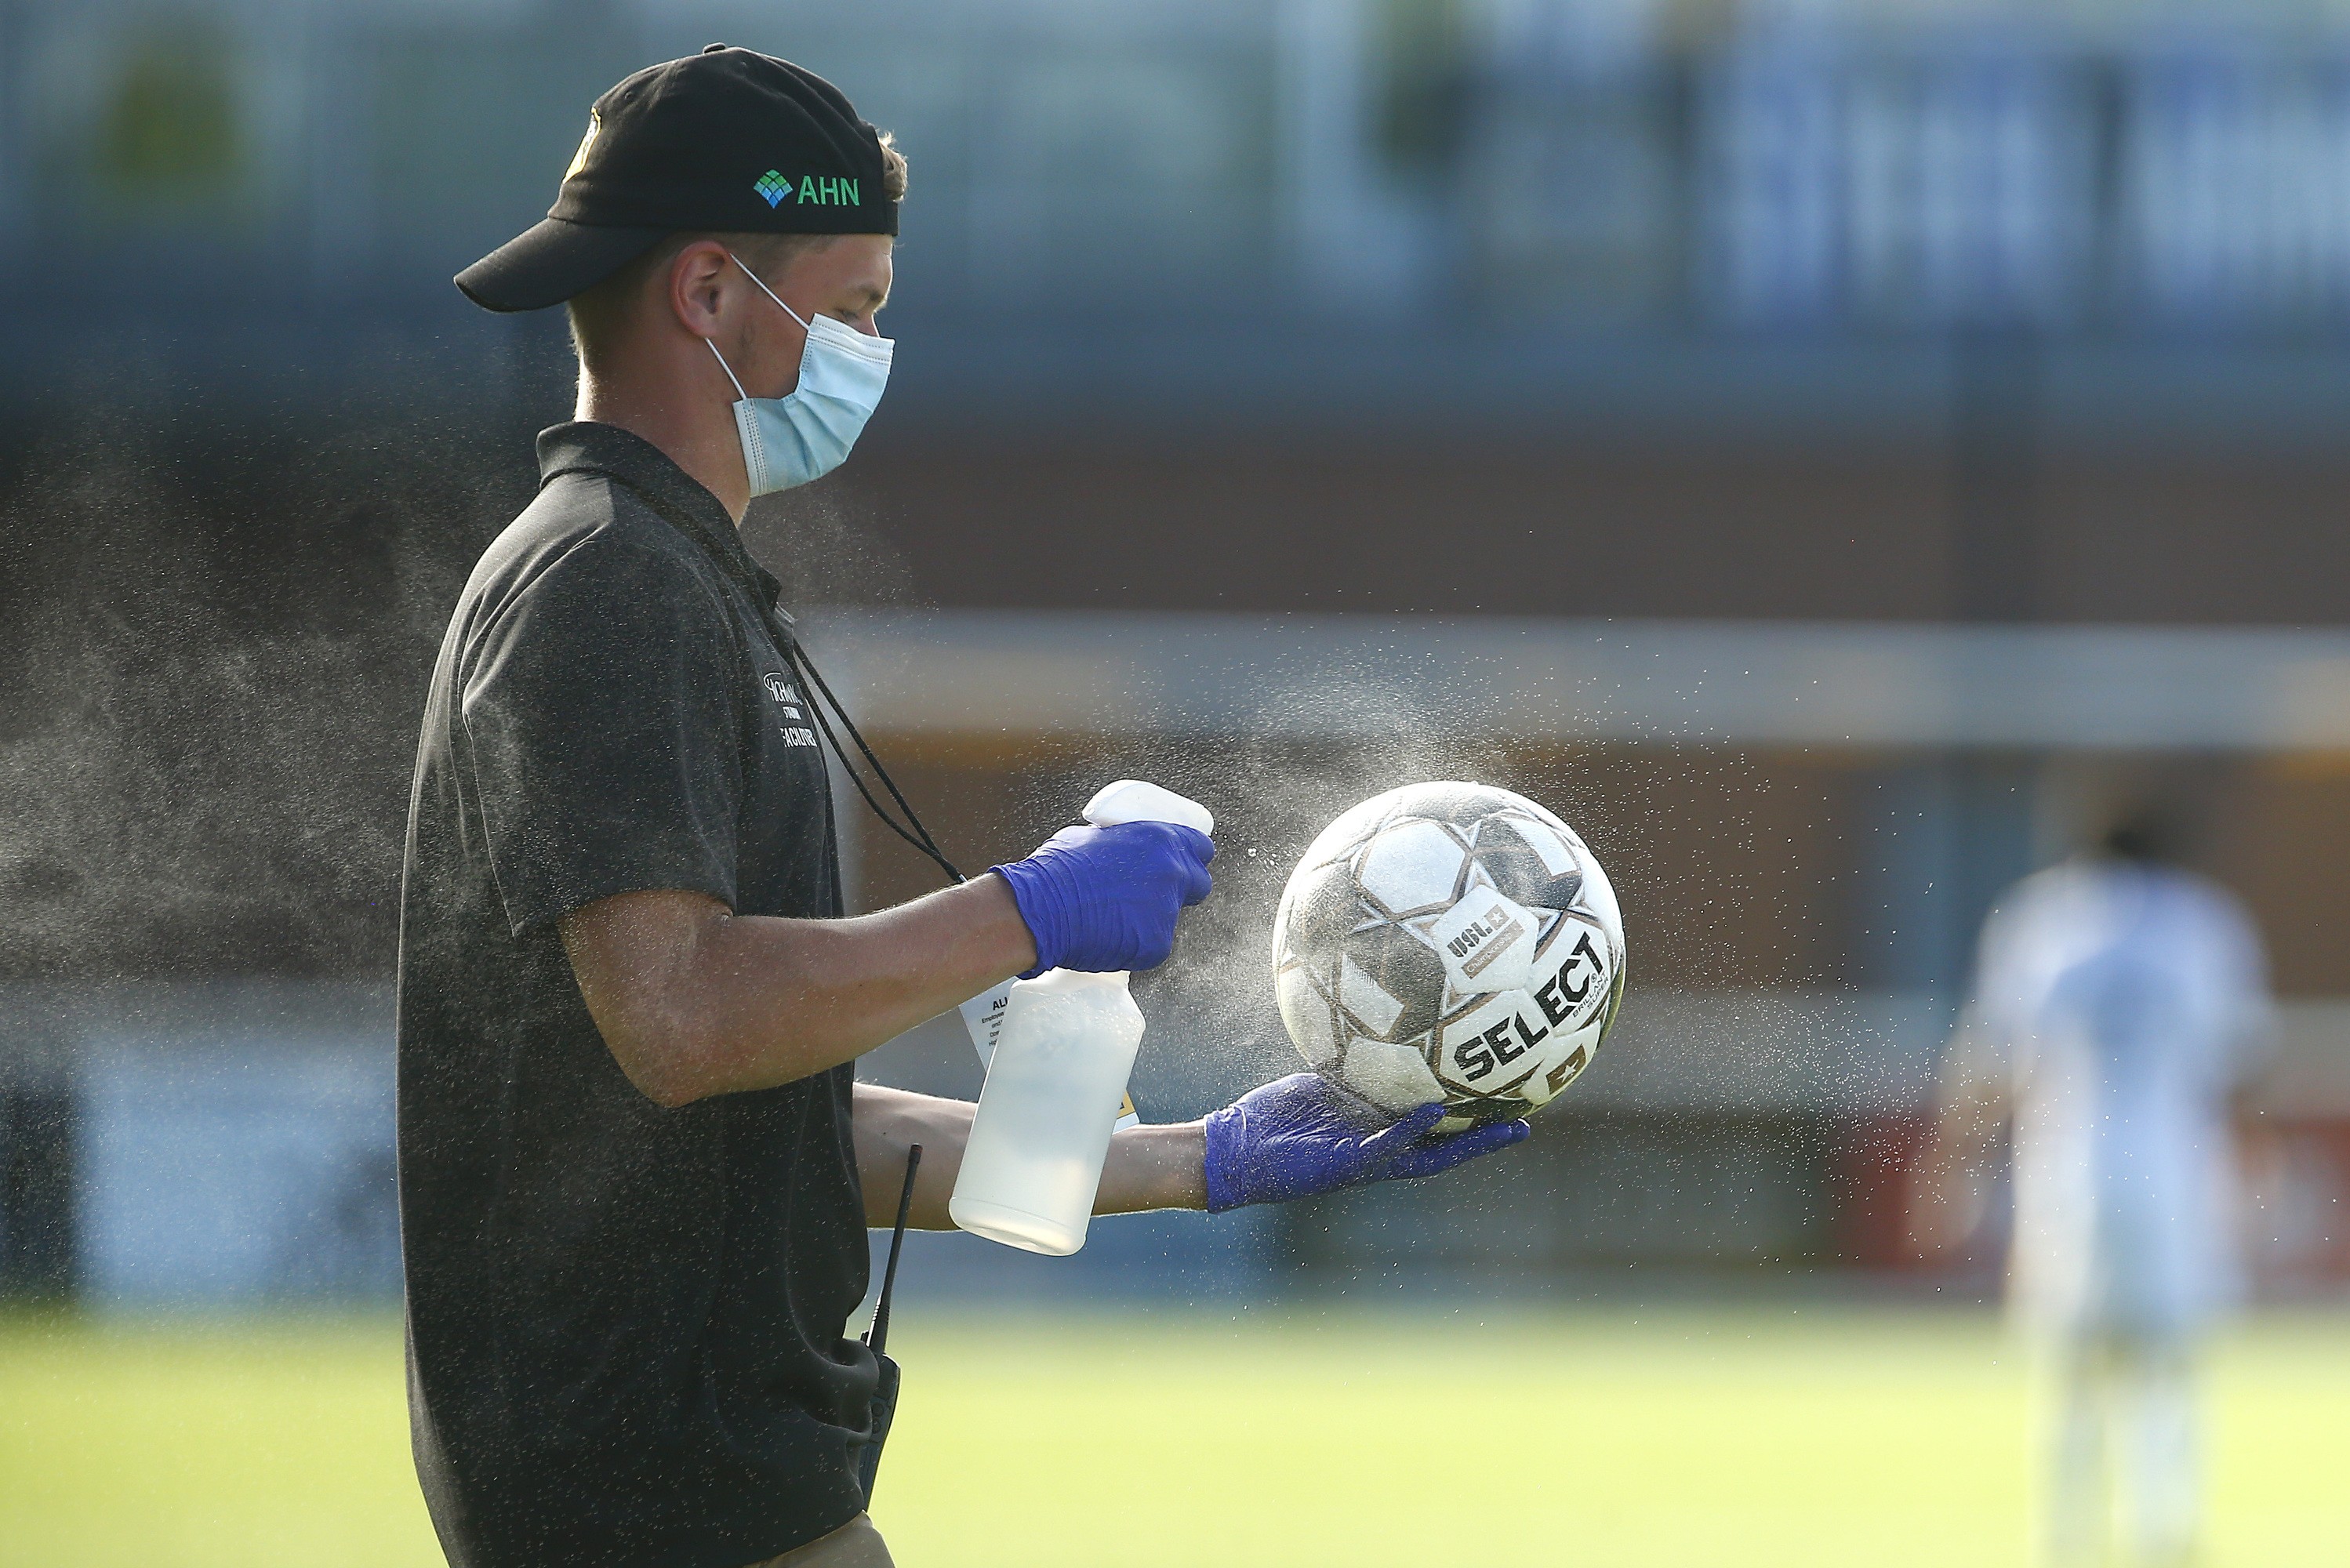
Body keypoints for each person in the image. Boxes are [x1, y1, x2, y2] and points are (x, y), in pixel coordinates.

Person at [398, 46, 1529, 1568]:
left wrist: (1201, 1160)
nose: (877, 348)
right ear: (711, 294)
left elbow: (770, 1117)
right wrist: (1025, 911)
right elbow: (680, 1019)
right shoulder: (607, 582)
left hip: (726, 1476)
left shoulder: (687, 584)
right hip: (641, 1489)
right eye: (858, 306)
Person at [1911, 808, 2273, 1568]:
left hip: (2067, 1169)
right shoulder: (2203, 923)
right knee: (2169, 1354)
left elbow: (1990, 1059)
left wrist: (1950, 1163)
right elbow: (2241, 1067)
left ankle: (2067, 1531)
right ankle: (2164, 1523)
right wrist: (2253, 1169)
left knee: (2069, 1359)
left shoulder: (2045, 921)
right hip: (2173, 1165)